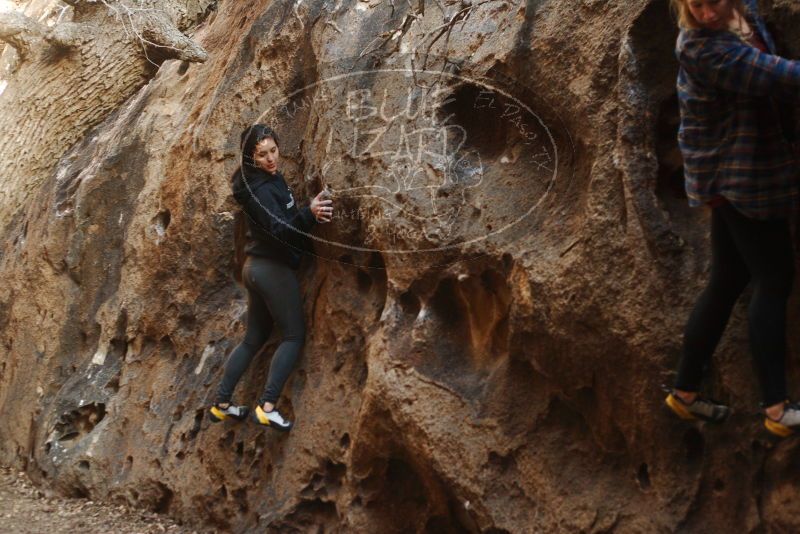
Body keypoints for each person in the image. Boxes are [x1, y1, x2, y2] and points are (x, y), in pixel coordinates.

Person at [664, 0, 800, 437]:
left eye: (713, 0)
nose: (706, 11)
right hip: (740, 178)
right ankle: (777, 410)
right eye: (695, 4)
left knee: (727, 279)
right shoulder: (704, 45)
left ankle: (684, 393)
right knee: (774, 279)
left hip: (732, 171)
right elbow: (779, 77)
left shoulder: (744, 11)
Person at [208, 124, 333, 431]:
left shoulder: (262, 181)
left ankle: (222, 404)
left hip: (255, 268)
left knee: (254, 338)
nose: (269, 159)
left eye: (273, 151)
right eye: (261, 154)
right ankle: (267, 406)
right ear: (250, 158)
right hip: (271, 268)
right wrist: (310, 214)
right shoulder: (261, 188)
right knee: (293, 336)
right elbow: (280, 231)